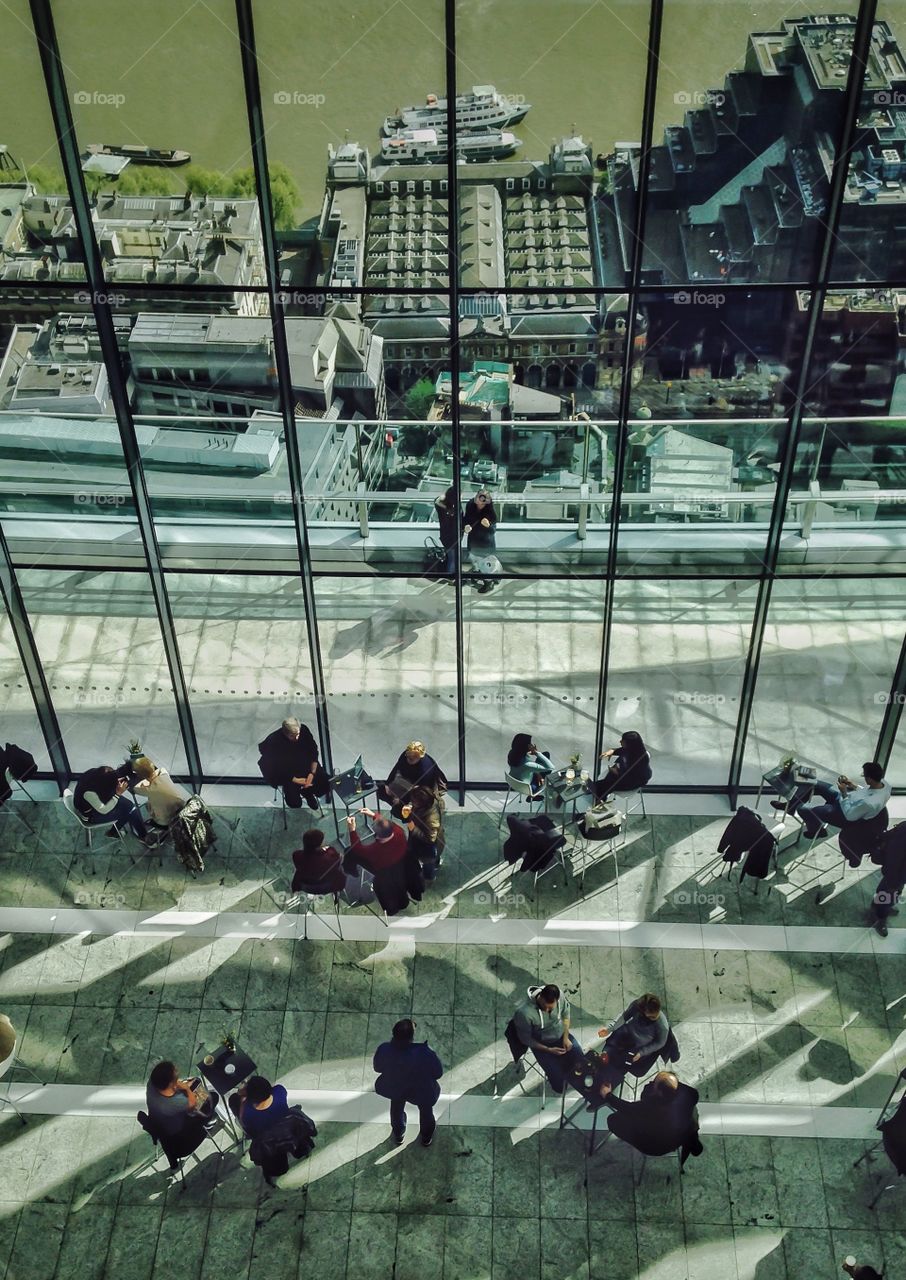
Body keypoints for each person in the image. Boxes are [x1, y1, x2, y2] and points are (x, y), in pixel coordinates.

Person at [603, 1071, 702, 1166]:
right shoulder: (689, 1094)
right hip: (677, 1137)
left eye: (654, 1082)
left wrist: (608, 1095)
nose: (651, 1082)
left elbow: (628, 1108)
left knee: (613, 1119)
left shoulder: (651, 1107)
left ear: (660, 1092)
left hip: (654, 1146)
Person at [775, 761, 890, 840]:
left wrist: (844, 793)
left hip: (843, 814)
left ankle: (816, 831)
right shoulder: (884, 784)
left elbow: (850, 815)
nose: (863, 777)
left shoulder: (870, 803)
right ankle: (790, 806)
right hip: (847, 800)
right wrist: (852, 785)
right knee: (815, 784)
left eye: (864, 776)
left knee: (802, 809)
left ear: (869, 778)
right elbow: (866, 792)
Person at [373, 1017, 444, 1146]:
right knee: (426, 1111)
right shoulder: (425, 1053)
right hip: (422, 1090)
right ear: (411, 1037)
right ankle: (426, 1137)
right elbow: (438, 1073)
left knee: (396, 1108)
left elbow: (377, 1068)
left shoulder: (384, 1049)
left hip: (396, 1087)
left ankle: (399, 1134)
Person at [344, 813, 424, 914]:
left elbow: (357, 849)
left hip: (384, 871)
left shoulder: (374, 850)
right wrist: (374, 815)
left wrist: (352, 829)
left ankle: (350, 869)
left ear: (376, 833)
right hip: (403, 864)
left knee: (349, 851)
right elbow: (386, 824)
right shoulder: (399, 831)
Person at [512, 983, 585, 1094]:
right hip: (541, 1045)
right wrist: (548, 1050)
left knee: (582, 1061)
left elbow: (566, 1015)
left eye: (550, 1008)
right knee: (559, 1084)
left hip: (561, 1035)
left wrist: (566, 1037)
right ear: (540, 997)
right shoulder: (524, 1013)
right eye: (544, 1006)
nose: (546, 1010)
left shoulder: (559, 995)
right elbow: (525, 1039)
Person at [596, 993, 671, 1091]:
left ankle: (607, 1086)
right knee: (607, 1053)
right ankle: (598, 1071)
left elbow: (659, 1043)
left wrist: (642, 1053)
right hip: (626, 1033)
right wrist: (609, 1029)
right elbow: (624, 1017)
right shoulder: (637, 1005)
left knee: (620, 1066)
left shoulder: (662, 1026)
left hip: (638, 1046)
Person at [257, 717, 331, 811]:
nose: (296, 738)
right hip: (288, 774)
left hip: (306, 766)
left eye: (298, 734)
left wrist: (311, 774)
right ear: (285, 733)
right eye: (292, 736)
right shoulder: (274, 742)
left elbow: (313, 752)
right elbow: (275, 767)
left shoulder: (303, 730)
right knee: (294, 802)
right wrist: (296, 780)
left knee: (326, 784)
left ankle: (307, 793)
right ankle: (306, 791)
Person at [74, 764, 150, 842]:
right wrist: (118, 794)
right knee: (128, 811)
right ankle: (114, 833)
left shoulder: (95, 773)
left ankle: (142, 833)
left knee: (129, 805)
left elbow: (111, 777)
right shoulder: (89, 793)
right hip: (91, 815)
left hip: (97, 800)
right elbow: (104, 810)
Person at [146, 1060, 218, 1141]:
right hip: (179, 1132)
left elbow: (171, 1087)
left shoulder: (152, 1083)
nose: (177, 1069)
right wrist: (187, 1088)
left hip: (161, 1120)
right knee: (214, 1097)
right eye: (175, 1071)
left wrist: (178, 1085)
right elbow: (192, 1103)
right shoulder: (176, 1101)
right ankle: (207, 1124)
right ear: (170, 1083)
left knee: (195, 1082)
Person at [591, 731, 652, 804]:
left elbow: (630, 776)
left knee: (600, 787)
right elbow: (617, 750)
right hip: (623, 774)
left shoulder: (640, 759)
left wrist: (615, 771)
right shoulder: (632, 749)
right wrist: (610, 752)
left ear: (630, 744)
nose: (620, 741)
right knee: (598, 786)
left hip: (634, 781)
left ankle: (599, 806)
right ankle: (599, 804)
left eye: (623, 740)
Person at [400, 784, 445, 880]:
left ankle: (429, 878)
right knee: (433, 859)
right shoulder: (431, 800)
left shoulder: (432, 819)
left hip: (429, 848)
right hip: (427, 842)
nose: (411, 803)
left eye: (414, 802)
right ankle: (435, 863)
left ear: (421, 804)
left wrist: (413, 828)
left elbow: (430, 838)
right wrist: (408, 815)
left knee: (428, 866)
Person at [869, 820, 906, 938]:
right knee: (889, 892)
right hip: (896, 872)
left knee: (891, 890)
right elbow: (895, 855)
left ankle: (879, 905)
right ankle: (880, 916)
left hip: (898, 871)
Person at [382, 741, 447, 807]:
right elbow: (396, 768)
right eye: (409, 755)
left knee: (419, 801)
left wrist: (401, 800)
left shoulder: (426, 769)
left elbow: (422, 790)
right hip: (411, 779)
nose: (410, 758)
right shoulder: (404, 755)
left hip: (427, 786)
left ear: (420, 757)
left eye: (414, 756)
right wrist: (387, 783)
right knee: (383, 791)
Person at [132, 756, 190, 830]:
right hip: (183, 811)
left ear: (140, 775)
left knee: (148, 804)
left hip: (167, 821)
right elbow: (160, 770)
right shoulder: (164, 774)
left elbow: (135, 789)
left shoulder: (148, 790)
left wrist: (147, 785)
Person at [463, 490, 498, 593]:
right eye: (478, 499)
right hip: (473, 539)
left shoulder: (490, 512)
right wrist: (465, 526)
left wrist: (488, 526)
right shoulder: (470, 505)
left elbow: (493, 531)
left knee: (485, 563)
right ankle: (477, 574)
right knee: (474, 559)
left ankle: (489, 582)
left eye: (482, 502)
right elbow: (466, 519)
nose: (479, 503)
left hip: (485, 542)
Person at [291, 828, 346, 895]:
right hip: (326, 887)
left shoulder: (296, 855)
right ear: (318, 846)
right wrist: (328, 850)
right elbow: (338, 857)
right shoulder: (330, 858)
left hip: (305, 885)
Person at [434, 486, 461, 575]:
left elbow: (437, 500)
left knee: (451, 557)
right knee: (453, 559)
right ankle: (452, 576)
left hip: (445, 537)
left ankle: (451, 574)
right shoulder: (455, 510)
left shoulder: (442, 508)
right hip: (453, 538)